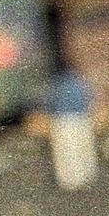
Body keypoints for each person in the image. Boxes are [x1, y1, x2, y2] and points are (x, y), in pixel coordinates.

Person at [44, 63, 96, 192]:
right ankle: (80, 178)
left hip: (66, 120)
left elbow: (49, 102)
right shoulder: (77, 81)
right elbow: (88, 98)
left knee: (67, 149)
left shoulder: (59, 83)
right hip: (75, 119)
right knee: (78, 148)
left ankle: (71, 179)